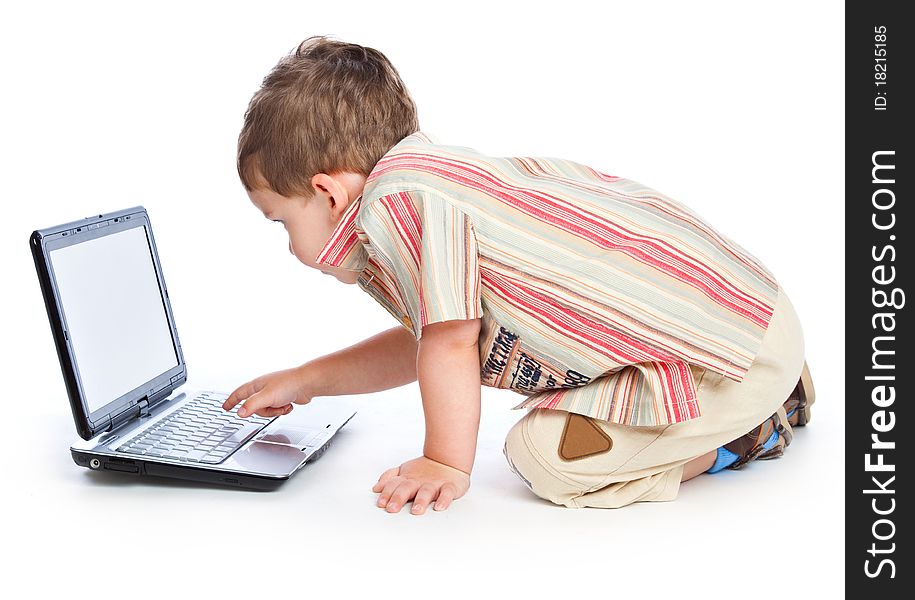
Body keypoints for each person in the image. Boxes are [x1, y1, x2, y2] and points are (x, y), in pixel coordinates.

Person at [222, 35, 816, 514]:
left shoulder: (394, 204)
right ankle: (769, 384)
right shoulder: (433, 183)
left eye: (281, 221)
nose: (290, 246)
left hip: (728, 360)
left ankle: (751, 430)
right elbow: (436, 340)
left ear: (327, 192)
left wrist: (444, 462)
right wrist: (306, 379)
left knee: (547, 459)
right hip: (747, 316)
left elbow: (450, 342)